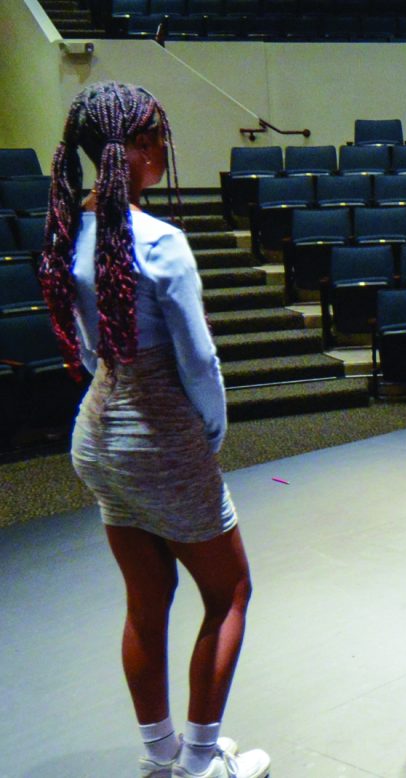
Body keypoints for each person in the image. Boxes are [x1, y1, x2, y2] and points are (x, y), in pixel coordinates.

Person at [38, 82, 269, 778]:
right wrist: (210, 433)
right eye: (156, 135)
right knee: (229, 593)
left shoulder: (69, 231)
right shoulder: (160, 241)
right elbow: (199, 360)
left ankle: (160, 757)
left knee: (147, 601)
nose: (164, 146)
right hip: (159, 438)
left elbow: (84, 349)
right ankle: (201, 764)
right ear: (137, 150)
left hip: (98, 437)